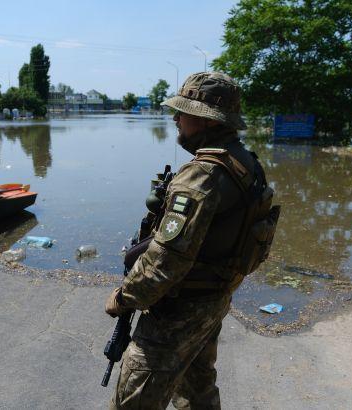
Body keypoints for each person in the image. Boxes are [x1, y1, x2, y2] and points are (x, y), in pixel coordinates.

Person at [105, 71, 269, 409]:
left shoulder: (202, 175)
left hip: (177, 313)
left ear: (206, 120)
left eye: (183, 113)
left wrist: (124, 298)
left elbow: (165, 263)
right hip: (213, 300)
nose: (176, 119)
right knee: (197, 392)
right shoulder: (245, 161)